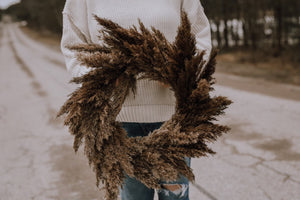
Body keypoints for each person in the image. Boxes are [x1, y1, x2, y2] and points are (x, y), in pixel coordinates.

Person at [61, 0, 212, 199]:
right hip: (120, 125)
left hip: (173, 121)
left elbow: (200, 35)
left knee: (175, 196)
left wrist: (182, 71)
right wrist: (100, 76)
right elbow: (73, 48)